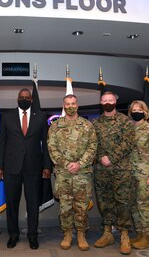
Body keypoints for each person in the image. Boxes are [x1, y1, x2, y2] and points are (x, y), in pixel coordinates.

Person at [0, 88, 52, 250]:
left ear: (32, 100)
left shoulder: (40, 117)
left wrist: (47, 166)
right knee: (12, 204)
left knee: (33, 203)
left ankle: (32, 236)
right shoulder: (7, 116)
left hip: (34, 167)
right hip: (11, 167)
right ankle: (13, 235)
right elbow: (2, 143)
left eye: (27, 97)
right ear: (17, 99)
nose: (24, 99)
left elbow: (46, 144)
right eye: (22, 97)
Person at [47, 94, 97, 251]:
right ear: (63, 106)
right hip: (63, 173)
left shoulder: (87, 125)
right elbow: (52, 148)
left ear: (78, 105)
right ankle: (67, 234)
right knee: (65, 206)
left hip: (82, 173)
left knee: (82, 206)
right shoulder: (55, 126)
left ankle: (81, 234)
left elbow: (92, 147)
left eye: (73, 103)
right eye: (67, 104)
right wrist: (67, 163)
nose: (70, 106)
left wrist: (80, 164)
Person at [92, 91, 135, 255]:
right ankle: (108, 233)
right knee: (104, 202)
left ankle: (124, 235)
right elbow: (92, 143)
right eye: (105, 100)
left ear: (115, 102)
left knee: (123, 202)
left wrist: (111, 157)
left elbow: (128, 143)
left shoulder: (125, 121)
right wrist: (101, 157)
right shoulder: (95, 123)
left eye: (110, 100)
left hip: (121, 170)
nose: (108, 102)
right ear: (101, 103)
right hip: (101, 171)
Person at [128, 100, 149, 249]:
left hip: (147, 175)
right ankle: (140, 234)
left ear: (145, 112)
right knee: (134, 206)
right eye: (134, 110)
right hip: (131, 174)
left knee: (144, 207)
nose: (136, 112)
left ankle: (147, 237)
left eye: (139, 110)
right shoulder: (128, 129)